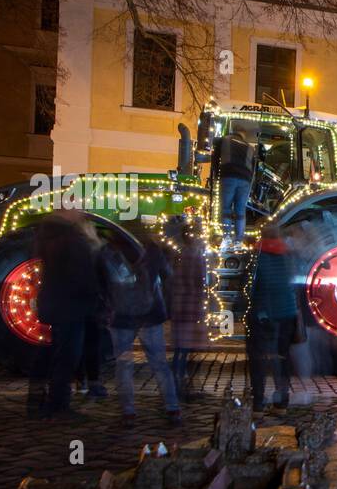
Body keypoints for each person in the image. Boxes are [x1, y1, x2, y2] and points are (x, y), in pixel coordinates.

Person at [102, 235, 181, 426]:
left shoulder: (108, 251)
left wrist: (106, 308)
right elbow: (168, 275)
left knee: (124, 364)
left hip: (121, 316)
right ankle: (172, 408)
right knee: (160, 363)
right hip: (151, 313)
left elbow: (101, 284)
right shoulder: (153, 249)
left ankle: (128, 411)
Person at [31, 207, 99, 418]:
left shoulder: (47, 234)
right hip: (71, 305)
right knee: (67, 356)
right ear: (67, 211)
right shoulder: (69, 237)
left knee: (55, 355)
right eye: (78, 209)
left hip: (55, 302)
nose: (81, 213)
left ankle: (40, 403)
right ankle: (58, 405)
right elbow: (81, 273)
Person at [246, 223, 298, 412]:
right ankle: (282, 400)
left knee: (258, 359)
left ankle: (258, 401)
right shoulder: (287, 255)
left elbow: (253, 286)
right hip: (287, 313)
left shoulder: (259, 256)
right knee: (282, 358)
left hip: (264, 315)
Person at [168, 219, 208, 401]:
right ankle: (179, 386)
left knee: (181, 349)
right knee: (184, 350)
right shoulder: (196, 256)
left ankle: (179, 383)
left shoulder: (181, 254)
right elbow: (199, 283)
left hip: (179, 306)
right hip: (190, 307)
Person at [212, 128, 257, 244]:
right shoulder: (250, 147)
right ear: (243, 136)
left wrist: (217, 175)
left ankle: (226, 238)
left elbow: (215, 158)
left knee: (226, 208)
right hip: (245, 181)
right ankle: (238, 241)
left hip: (228, 177)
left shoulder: (224, 140)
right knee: (240, 211)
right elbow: (253, 168)